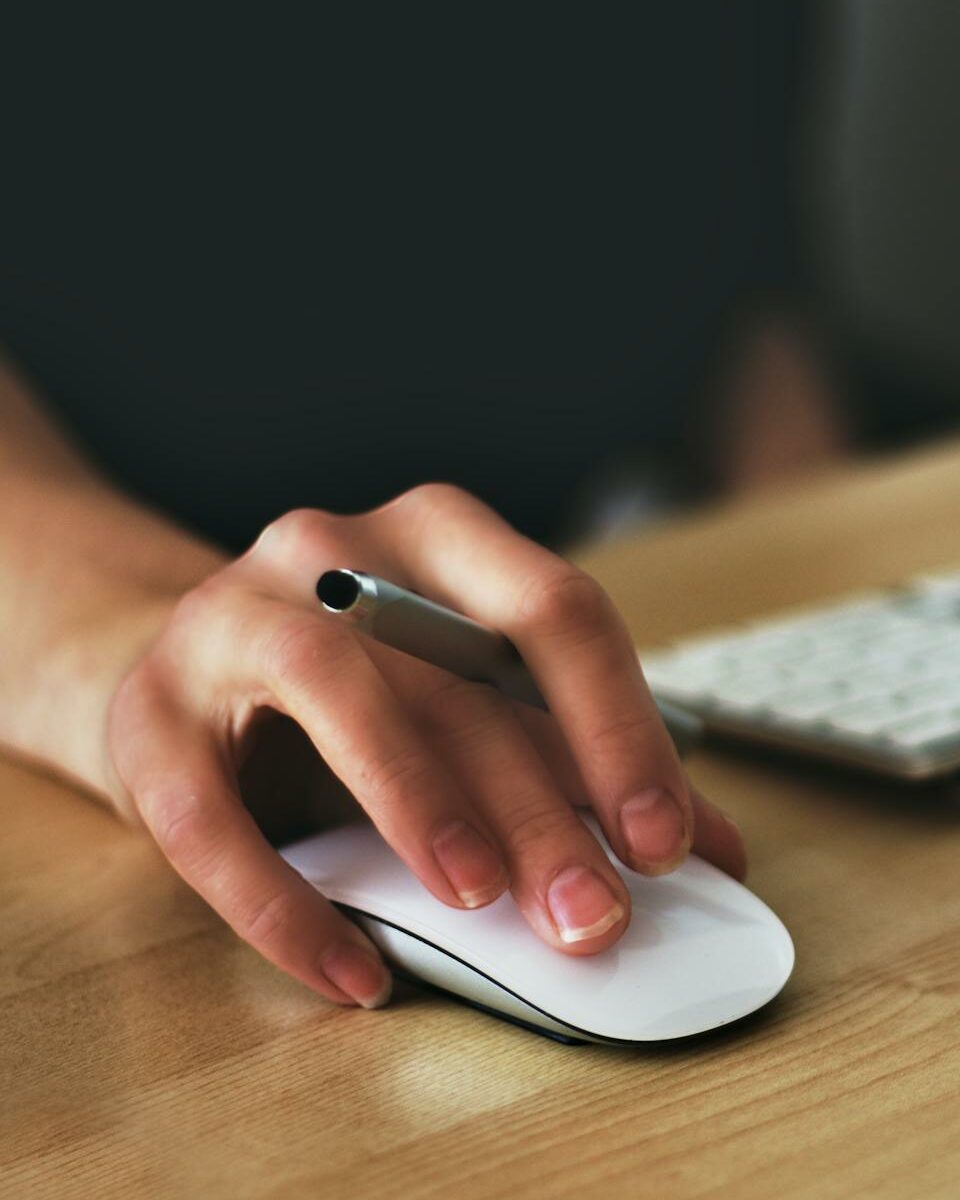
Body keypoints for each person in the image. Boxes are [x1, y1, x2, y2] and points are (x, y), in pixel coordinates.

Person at [0, 7, 841, 1010]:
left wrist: (826, 580)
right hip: (135, 562)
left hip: (555, 615)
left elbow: (746, 274)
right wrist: (136, 641)